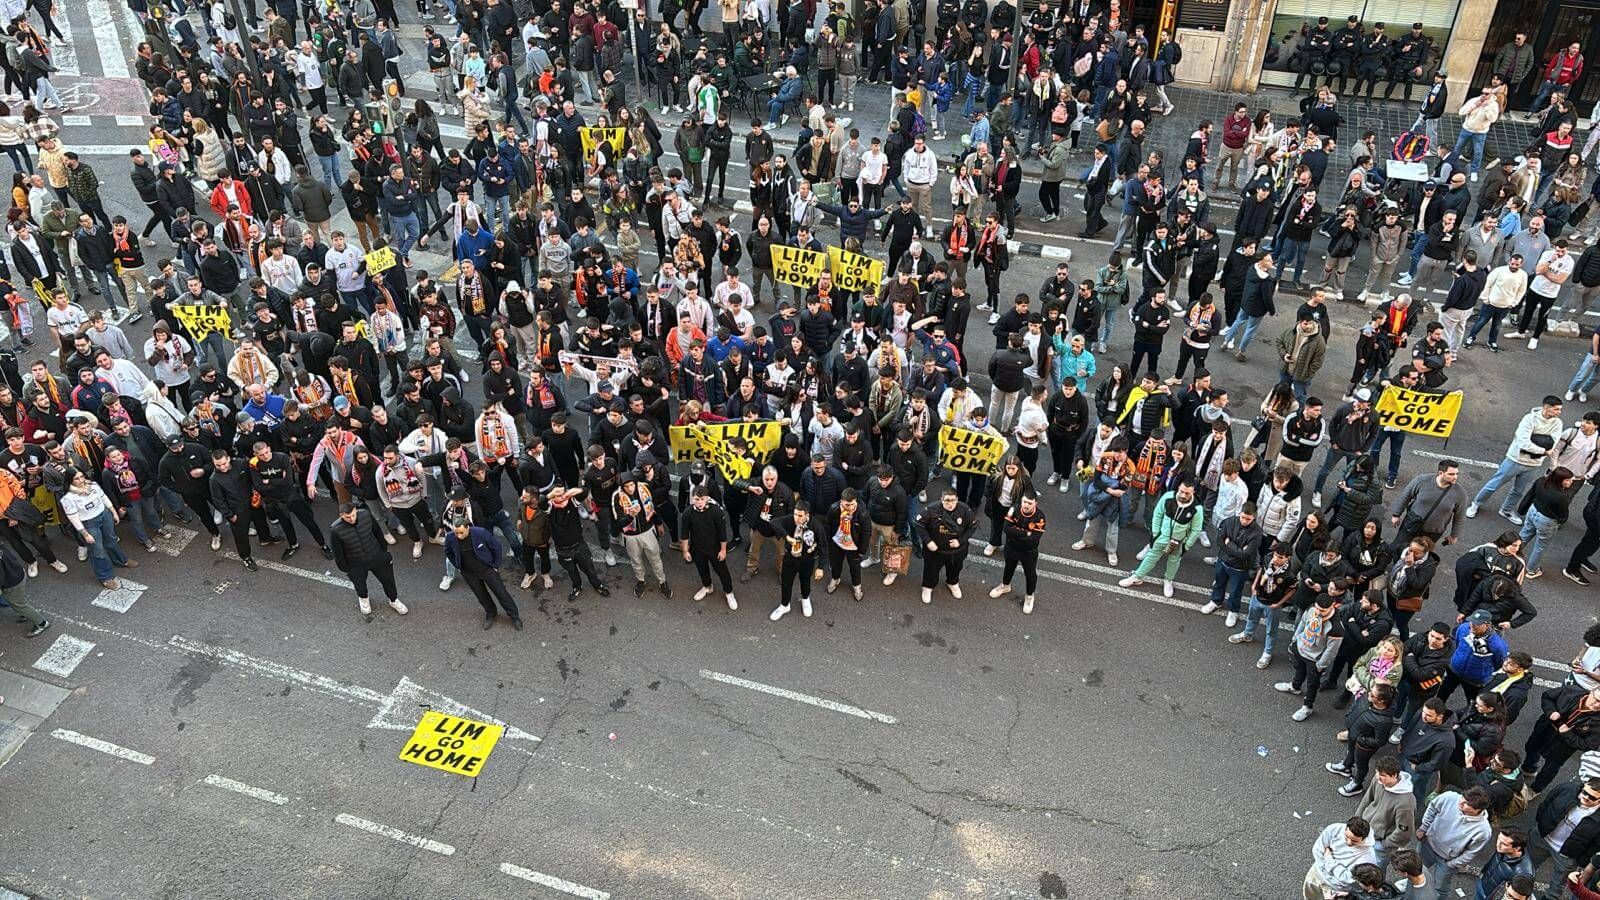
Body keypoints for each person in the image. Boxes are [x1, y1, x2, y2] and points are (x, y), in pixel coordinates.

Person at [1467, 396, 1564, 523]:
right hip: (1515, 460)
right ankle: (1476, 504)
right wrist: (1543, 450)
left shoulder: (1558, 423)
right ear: (1546, 407)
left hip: (1534, 464)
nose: (1559, 412)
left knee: (1518, 491)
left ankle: (1506, 510)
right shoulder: (1529, 419)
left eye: (1560, 409)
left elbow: (1553, 442)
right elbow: (1524, 442)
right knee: (1494, 485)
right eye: (1556, 409)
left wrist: (1536, 442)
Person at [1119, 480, 1204, 598]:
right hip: (1162, 536)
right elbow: (1158, 514)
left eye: (1187, 493)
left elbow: (1196, 530)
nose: (1183, 495)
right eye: (1181, 491)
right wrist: (1155, 534)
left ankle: (1168, 580)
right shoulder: (1168, 497)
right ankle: (1137, 577)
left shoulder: (1197, 508)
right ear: (1178, 488)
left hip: (1179, 541)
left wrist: (1186, 545)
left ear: (1193, 492)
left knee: (1174, 561)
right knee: (1151, 556)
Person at [328, 502, 409, 618]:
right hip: (355, 564)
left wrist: (383, 552)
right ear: (341, 515)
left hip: (376, 555)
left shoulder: (366, 515)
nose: (352, 519)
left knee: (388, 580)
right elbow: (338, 553)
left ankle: (393, 600)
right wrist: (347, 569)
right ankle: (363, 598)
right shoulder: (335, 530)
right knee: (359, 584)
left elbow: (378, 533)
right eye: (347, 517)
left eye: (353, 515)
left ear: (356, 510)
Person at [1276, 591, 1345, 721]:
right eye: (1317, 608)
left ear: (1332, 606)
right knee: (1299, 670)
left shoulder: (1336, 628)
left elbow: (1331, 651)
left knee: (1312, 684)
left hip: (1314, 659)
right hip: (1301, 648)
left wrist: (1320, 665)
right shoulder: (1312, 609)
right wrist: (1295, 640)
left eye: (1322, 610)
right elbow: (1302, 623)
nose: (1318, 612)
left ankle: (1308, 707)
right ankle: (1295, 687)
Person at [1416, 788, 1494, 896]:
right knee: (1415, 870)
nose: (1460, 803)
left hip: (1447, 860)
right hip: (1427, 845)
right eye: (1463, 798)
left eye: (1466, 804)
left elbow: (1471, 853)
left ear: (1477, 810)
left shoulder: (1483, 831)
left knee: (1440, 888)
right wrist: (1424, 828)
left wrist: (1453, 864)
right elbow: (1432, 808)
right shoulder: (1449, 797)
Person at [680, 484, 738, 610]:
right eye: (697, 499)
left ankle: (729, 592)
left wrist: (723, 550)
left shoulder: (716, 511)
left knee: (722, 571)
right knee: (702, 569)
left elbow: (722, 533)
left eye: (702, 499)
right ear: (692, 499)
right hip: (697, 548)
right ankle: (707, 586)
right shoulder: (687, 513)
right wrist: (685, 551)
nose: (700, 502)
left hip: (714, 548)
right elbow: (684, 534)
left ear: (707, 498)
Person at [916, 486, 975, 604]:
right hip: (936, 551)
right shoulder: (931, 510)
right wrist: (928, 541)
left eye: (953, 500)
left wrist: (961, 541)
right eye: (947, 500)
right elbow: (919, 524)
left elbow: (972, 527)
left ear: (957, 499)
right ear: (941, 499)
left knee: (955, 569)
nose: (950, 504)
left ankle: (952, 583)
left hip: (957, 551)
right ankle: (928, 587)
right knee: (931, 570)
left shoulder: (965, 510)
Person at [1356, 755, 1418, 869]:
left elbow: (1404, 833)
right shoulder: (1378, 780)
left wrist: (1384, 844)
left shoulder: (1405, 802)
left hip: (1379, 843)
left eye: (1382, 775)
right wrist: (1357, 819)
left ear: (1394, 775)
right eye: (1377, 773)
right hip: (1365, 833)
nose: (1377, 777)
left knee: (1374, 871)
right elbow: (1367, 799)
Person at [989, 490, 1044, 613]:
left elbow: (1034, 539)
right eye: (1025, 502)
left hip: (1028, 551)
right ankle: (1005, 586)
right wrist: (1026, 533)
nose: (1026, 505)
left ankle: (1029, 595)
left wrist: (1016, 532)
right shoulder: (1014, 509)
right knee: (1009, 568)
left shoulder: (1040, 517)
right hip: (1012, 547)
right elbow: (1006, 529)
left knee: (1030, 574)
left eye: (1030, 503)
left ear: (1035, 503)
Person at [1303, 815, 1377, 900]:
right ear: (1345, 828)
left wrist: (1328, 859)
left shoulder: (1368, 857)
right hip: (1316, 874)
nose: (1349, 842)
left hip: (1334, 887)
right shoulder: (1334, 829)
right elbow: (1317, 850)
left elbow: (1348, 878)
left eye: (1354, 841)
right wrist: (1327, 869)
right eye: (1346, 837)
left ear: (1364, 839)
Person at [771, 501, 820, 621]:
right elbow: (774, 522)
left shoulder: (816, 525)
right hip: (790, 558)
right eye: (795, 514)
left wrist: (821, 567)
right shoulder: (790, 519)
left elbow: (823, 545)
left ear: (807, 515)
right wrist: (787, 537)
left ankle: (805, 598)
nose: (796, 518)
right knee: (786, 582)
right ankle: (785, 605)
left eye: (800, 515)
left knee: (805, 581)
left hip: (807, 560)